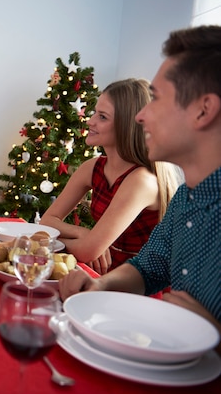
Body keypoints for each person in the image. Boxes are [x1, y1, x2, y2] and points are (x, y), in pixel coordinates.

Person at [59, 25, 221, 349]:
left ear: (204, 110)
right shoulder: (185, 198)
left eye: (157, 98)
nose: (140, 116)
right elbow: (147, 269)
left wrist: (213, 336)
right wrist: (101, 286)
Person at [41, 79, 179, 274]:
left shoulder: (141, 180)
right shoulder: (93, 167)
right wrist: (83, 232)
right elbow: (47, 221)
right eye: (95, 112)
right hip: (102, 276)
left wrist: (49, 242)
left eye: (103, 117)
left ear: (128, 125)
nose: (90, 121)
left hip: (136, 287)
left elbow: (88, 251)